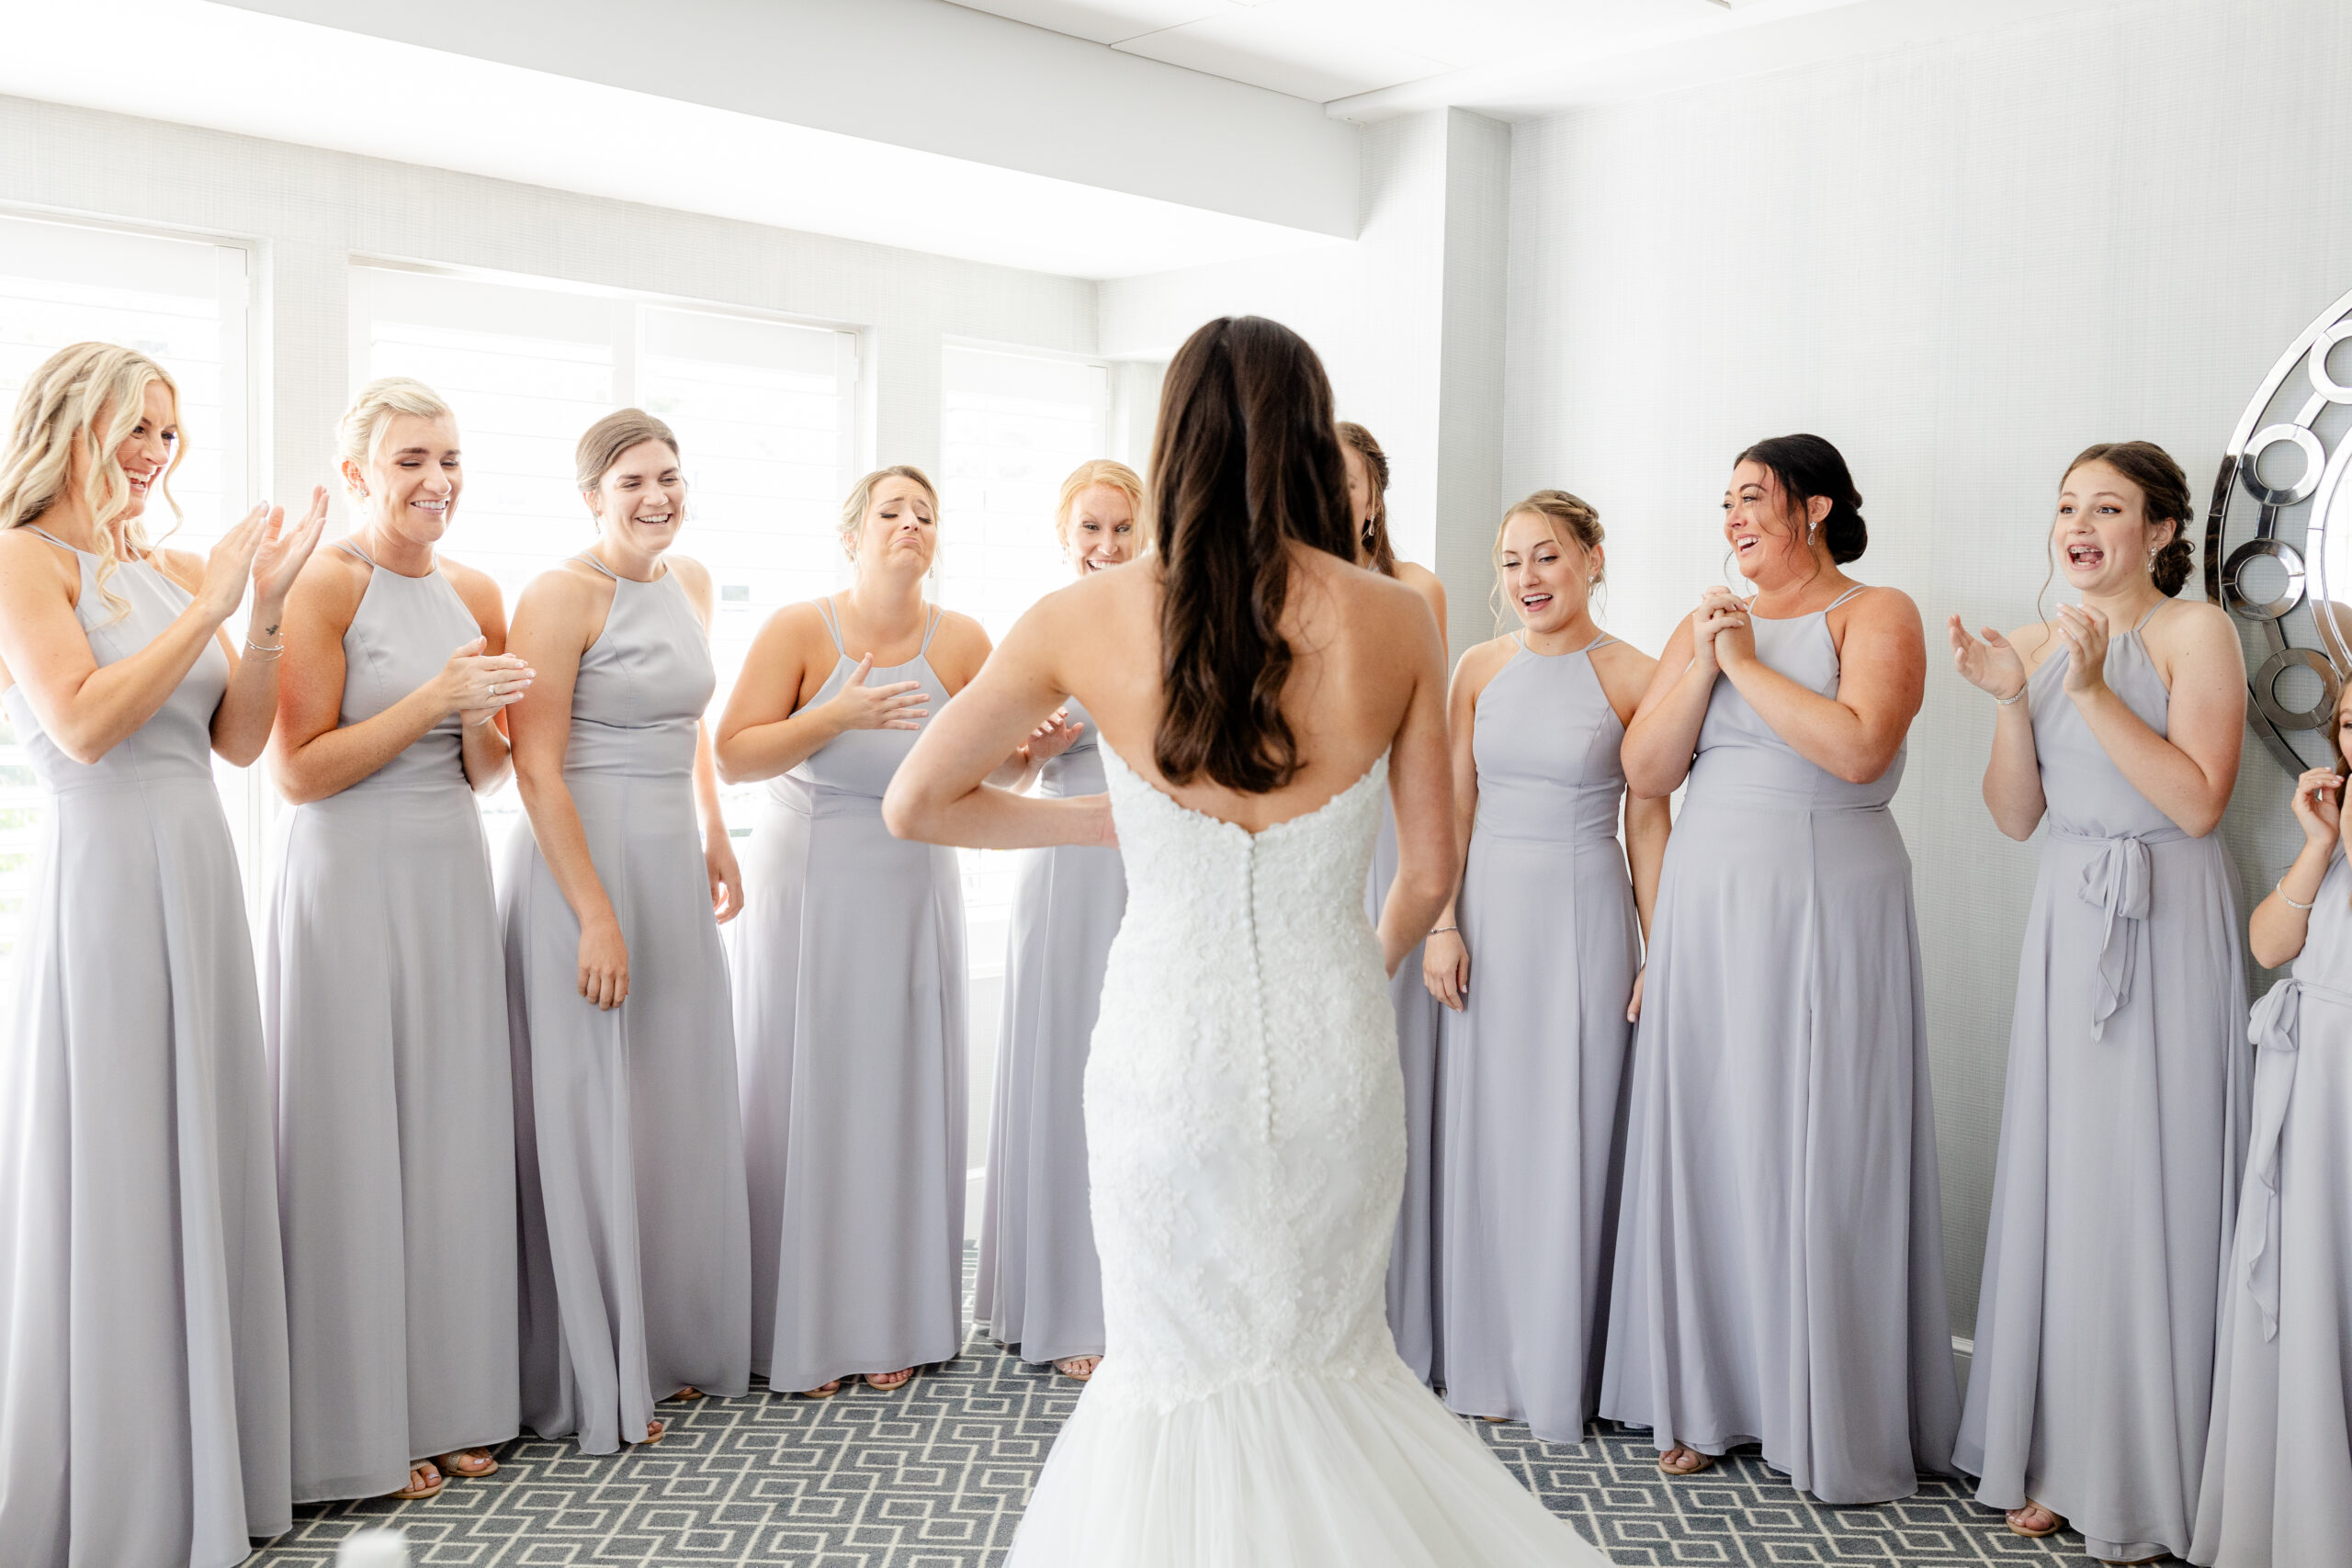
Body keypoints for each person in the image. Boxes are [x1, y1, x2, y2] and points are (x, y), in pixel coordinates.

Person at [882, 315, 1611, 1566]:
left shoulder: (1083, 614)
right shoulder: (1399, 619)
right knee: (1331, 1358)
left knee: (1174, 1373)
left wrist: (1107, 826)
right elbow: (1431, 866)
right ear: (1311, 442)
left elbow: (916, 802)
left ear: (1173, 443)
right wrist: (1342, 979)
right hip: (1333, 1048)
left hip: (1167, 1049)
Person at [0, 342, 323, 1567]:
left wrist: (271, 604)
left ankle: (211, 1460)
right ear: (70, 422)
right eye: (136, 428)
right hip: (107, 885)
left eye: (167, 435)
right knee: (125, 1158)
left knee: (203, 1149)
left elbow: (239, 740)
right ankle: (126, 1485)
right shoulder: (21, 558)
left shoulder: (178, 563)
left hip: (197, 871)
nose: (154, 454)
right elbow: (81, 723)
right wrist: (206, 603)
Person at [1603, 434, 1958, 1504]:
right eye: (1725, 503)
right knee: (1717, 1135)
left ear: (1813, 508)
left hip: (1827, 903)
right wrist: (1708, 657)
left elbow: (1857, 747)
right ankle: (1711, 1397)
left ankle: (1825, 1407)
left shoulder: (1875, 611)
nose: (1733, 520)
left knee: (1820, 1142)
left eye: (1751, 498)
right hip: (1709, 909)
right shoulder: (1705, 621)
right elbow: (1645, 770)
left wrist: (1747, 664)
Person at [1950, 442, 2248, 1563]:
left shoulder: (2193, 633)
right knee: (2068, 1187)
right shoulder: (2033, 641)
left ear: (2160, 531)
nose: (2078, 524)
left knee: (2149, 1183)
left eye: (2107, 507)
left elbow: (2197, 802)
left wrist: (2084, 687)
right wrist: (2013, 700)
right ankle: (2058, 1455)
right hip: (2067, 921)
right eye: (2066, 504)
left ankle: (2141, 1468)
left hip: (2165, 919)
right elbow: (2014, 816)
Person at [266, 377, 532, 1503]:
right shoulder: (327, 585)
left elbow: (487, 769)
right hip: (350, 875)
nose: (438, 482)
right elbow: (298, 772)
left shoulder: (478, 589)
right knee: (355, 1141)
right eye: (413, 460)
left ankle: (455, 1397)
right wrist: (436, 695)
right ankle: (361, 1421)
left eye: (452, 459)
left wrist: (477, 715)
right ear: (360, 475)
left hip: (447, 872)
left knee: (449, 1135)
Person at [502, 408, 750, 1453]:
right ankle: (595, 1365)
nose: (658, 497)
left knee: (674, 1097)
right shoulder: (559, 595)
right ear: (592, 496)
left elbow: (690, 725)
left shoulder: (688, 582)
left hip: (668, 856)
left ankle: (673, 1341)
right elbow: (533, 763)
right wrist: (593, 914)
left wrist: (715, 830)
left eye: (670, 476)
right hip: (582, 858)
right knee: (590, 1099)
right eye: (634, 482)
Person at [718, 465, 994, 1398]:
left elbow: (997, 779)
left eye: (925, 512)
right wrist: (834, 713)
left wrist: (1028, 758)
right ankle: (802, 1326)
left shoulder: (963, 641)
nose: (910, 523)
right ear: (852, 534)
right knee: (812, 1095)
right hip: (813, 888)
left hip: (914, 888)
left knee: (895, 1098)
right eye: (890, 511)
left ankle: (892, 1321)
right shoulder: (802, 629)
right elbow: (732, 752)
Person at [1422, 491, 1666, 1442]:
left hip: (1583, 914)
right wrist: (1443, 921)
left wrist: (1661, 948)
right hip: (1486, 912)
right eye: (1511, 562)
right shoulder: (1478, 668)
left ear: (1593, 558)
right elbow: (1451, 802)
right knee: (1489, 1130)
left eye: (1547, 558)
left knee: (1572, 1129)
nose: (1526, 579)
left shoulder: (1636, 675)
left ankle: (1566, 1363)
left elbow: (1648, 822)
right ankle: (1483, 1359)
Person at [974, 458, 1144, 1382]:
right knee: (1068, 1070)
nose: (1106, 547)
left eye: (1121, 530)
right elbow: (990, 782)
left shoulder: (1170, 626)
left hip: (1152, 866)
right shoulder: (1038, 631)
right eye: (1091, 530)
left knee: (1143, 1080)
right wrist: (1030, 754)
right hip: (1063, 867)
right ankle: (1064, 1305)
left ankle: (1137, 1299)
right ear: (1062, 533)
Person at [2190, 686, 2352, 1568]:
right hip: (2313, 1085)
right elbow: (2266, 945)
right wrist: (2320, 843)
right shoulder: (2331, 839)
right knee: (2308, 1294)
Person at [1339, 420, 1448, 1382]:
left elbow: (1433, 743)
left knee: (1392, 1059)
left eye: (1352, 482)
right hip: (1319, 830)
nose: (1336, 497)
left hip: (1394, 821)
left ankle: (1402, 1308)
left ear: (1376, 493)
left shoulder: (1414, 594)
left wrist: (1437, 904)